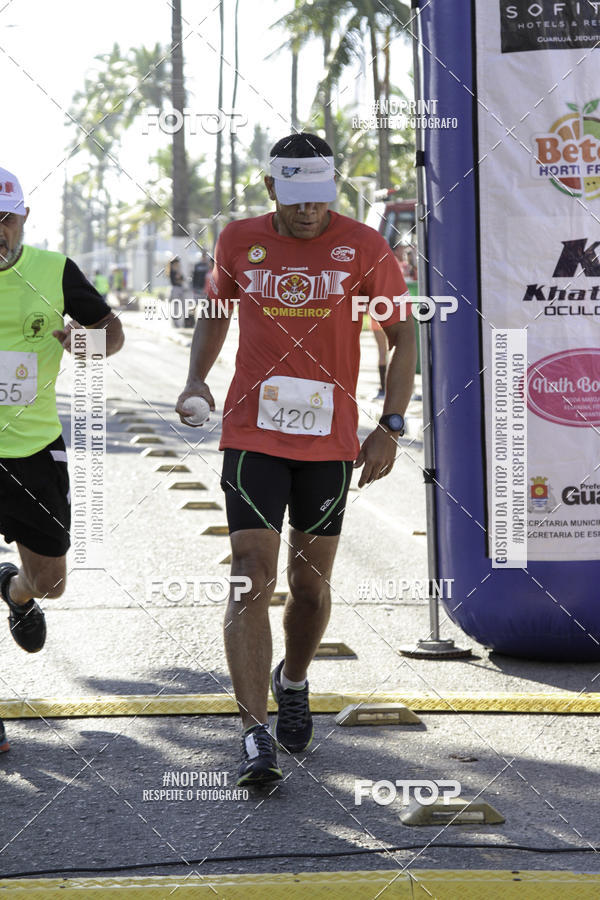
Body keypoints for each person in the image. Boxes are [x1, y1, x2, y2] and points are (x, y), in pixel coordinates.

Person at [176, 133, 416, 786]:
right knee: (251, 573)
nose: (310, 210)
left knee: (308, 589)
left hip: (330, 445)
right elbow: (216, 312)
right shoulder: (237, 242)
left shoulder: (365, 246)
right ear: (271, 188)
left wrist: (391, 424)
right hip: (253, 434)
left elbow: (401, 331)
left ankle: (295, 678)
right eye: (297, 196)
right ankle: (254, 732)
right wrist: (196, 379)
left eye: (320, 196)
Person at [0, 167, 124, 752]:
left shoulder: (54, 270)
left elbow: (111, 334)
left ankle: (15, 591)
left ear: (24, 219)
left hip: (34, 451)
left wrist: (83, 342)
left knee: (51, 584)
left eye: (6, 219)